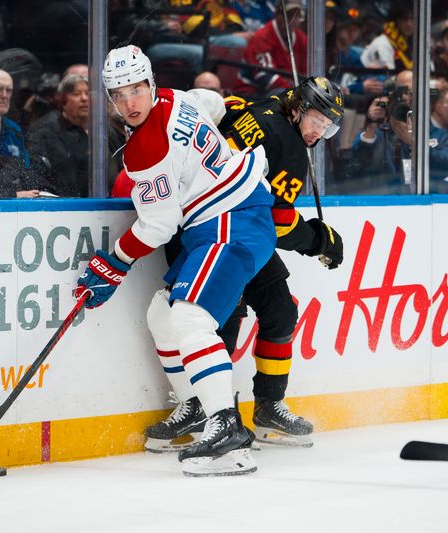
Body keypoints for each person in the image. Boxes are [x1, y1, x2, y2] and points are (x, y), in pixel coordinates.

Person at [73, 45, 276, 477]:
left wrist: (113, 263)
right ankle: (201, 406)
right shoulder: (180, 97)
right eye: (119, 93)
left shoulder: (145, 148)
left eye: (137, 89)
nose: (130, 102)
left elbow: (160, 225)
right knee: (162, 314)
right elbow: (217, 104)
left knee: (188, 318)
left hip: (231, 220)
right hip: (228, 217)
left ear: (150, 83)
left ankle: (228, 431)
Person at [145, 76, 346, 451]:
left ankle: (268, 406)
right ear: (300, 107)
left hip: (238, 231)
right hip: (211, 234)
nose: (320, 131)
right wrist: (320, 240)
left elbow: (230, 112)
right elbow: (281, 225)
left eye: (328, 126)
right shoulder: (287, 144)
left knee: (281, 311)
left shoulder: (263, 107)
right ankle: (206, 412)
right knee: (218, 320)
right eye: (317, 120)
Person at [28, 73, 94, 196]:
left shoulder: (102, 129)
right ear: (63, 101)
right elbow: (36, 175)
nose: (84, 98)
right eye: (76, 94)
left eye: (87, 93)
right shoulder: (44, 131)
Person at [234, 0, 307, 97]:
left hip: (286, 90)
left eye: (296, 16)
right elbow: (265, 78)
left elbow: (305, 73)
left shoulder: (302, 39)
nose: (292, 20)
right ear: (277, 14)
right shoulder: (263, 36)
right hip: (251, 91)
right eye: (289, 15)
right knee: (282, 96)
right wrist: (294, 91)